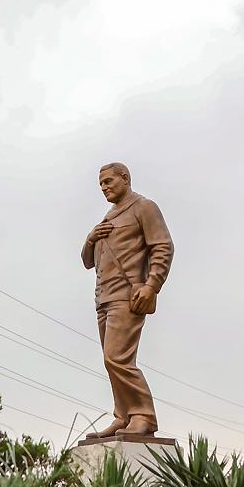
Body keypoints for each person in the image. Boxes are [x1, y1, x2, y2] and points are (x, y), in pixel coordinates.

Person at [82, 162, 174, 438]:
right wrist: (90, 238)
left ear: (125, 179)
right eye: (101, 185)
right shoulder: (107, 218)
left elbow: (163, 246)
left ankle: (143, 415)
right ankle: (123, 416)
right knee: (111, 361)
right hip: (103, 297)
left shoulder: (144, 207)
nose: (104, 188)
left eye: (109, 182)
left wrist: (152, 285)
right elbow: (87, 261)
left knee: (116, 357)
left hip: (128, 294)